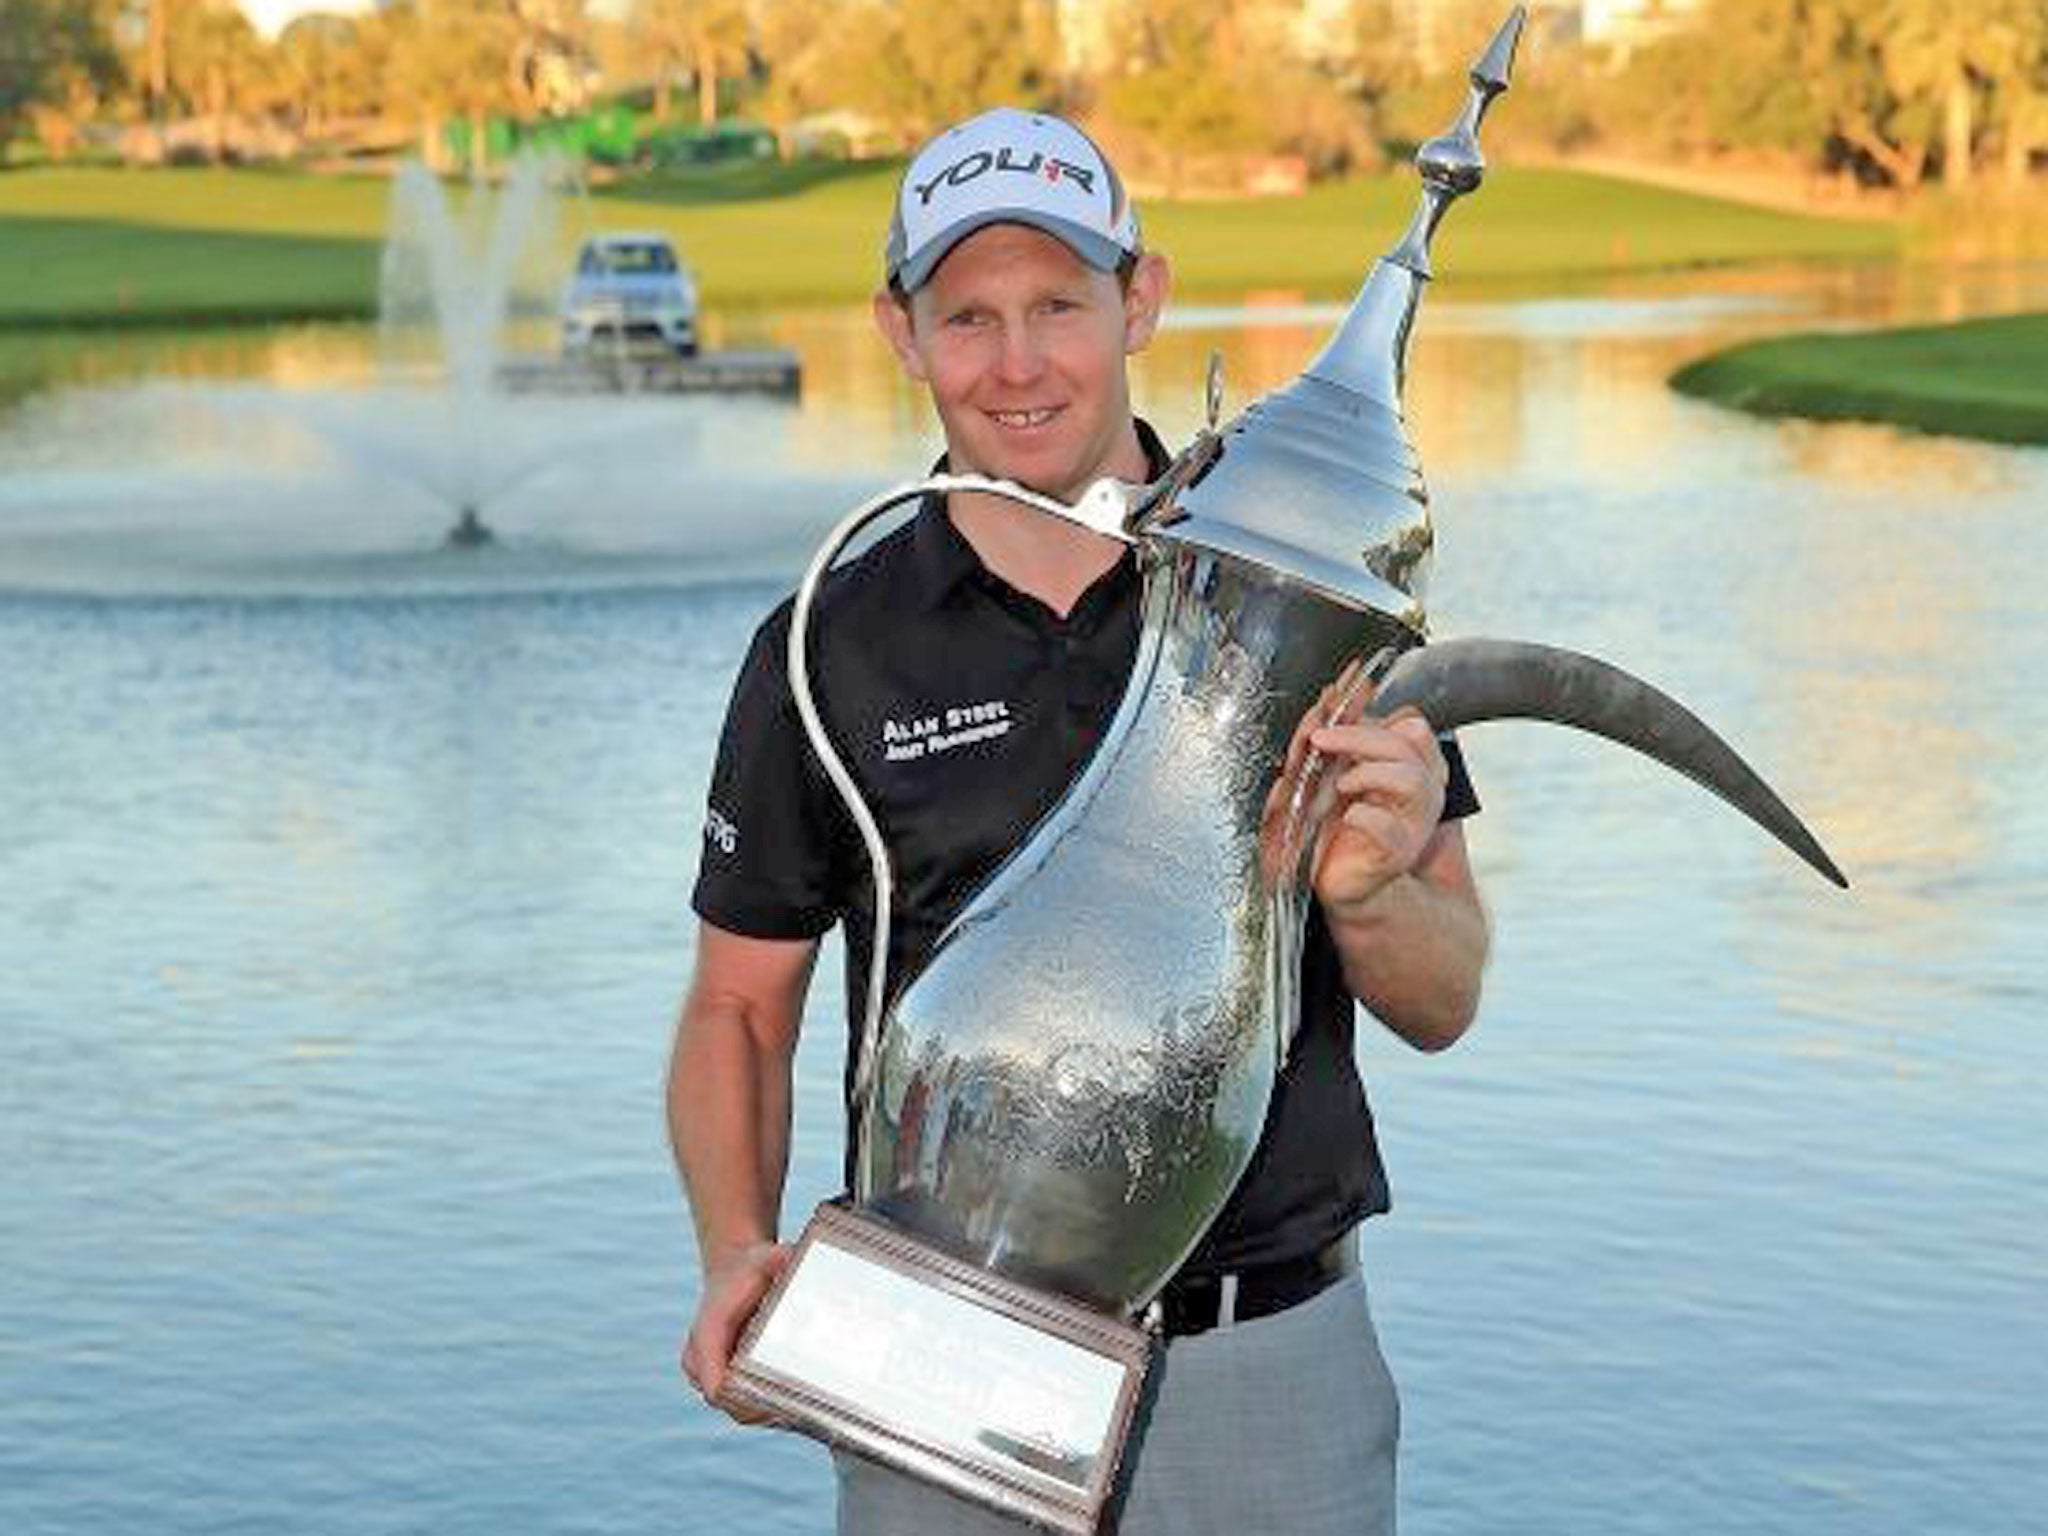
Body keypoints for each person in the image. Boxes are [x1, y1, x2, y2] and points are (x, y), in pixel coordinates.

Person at [670, 106, 1490, 1535]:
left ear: (1143, 301)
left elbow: (1446, 998)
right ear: (900, 332)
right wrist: (737, 1244)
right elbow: (739, 1009)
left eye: (1061, 304)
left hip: (1265, 1362)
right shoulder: (826, 643)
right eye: (967, 315)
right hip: (935, 1356)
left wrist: (1366, 893)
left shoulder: (1314, 582)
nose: (1019, 362)